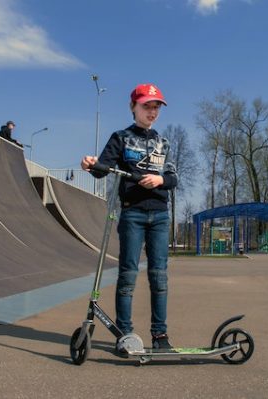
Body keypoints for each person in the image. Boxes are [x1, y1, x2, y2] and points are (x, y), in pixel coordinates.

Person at [81, 83, 177, 352]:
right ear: (133, 107)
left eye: (156, 106)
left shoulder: (163, 142)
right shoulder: (121, 138)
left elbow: (173, 177)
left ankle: (160, 336)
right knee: (128, 276)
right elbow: (102, 168)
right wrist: (90, 164)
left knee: (159, 277)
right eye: (147, 105)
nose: (152, 111)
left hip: (160, 215)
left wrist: (159, 179)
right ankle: (124, 335)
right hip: (132, 214)